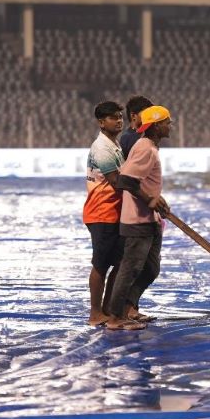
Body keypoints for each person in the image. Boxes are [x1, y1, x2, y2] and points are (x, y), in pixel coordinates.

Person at [104, 105, 173, 331]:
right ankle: (115, 317)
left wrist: (156, 199)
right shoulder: (145, 148)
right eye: (166, 121)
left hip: (149, 219)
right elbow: (126, 180)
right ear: (155, 126)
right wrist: (149, 199)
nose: (169, 125)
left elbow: (141, 182)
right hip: (137, 221)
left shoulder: (150, 147)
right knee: (130, 269)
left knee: (151, 269)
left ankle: (127, 308)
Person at [83, 100, 126, 326]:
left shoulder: (113, 144)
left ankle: (107, 309)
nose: (119, 120)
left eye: (120, 116)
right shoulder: (102, 148)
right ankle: (95, 313)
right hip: (102, 211)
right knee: (101, 264)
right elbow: (117, 181)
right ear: (101, 122)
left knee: (117, 263)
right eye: (113, 117)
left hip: (112, 211)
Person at [119, 95, 153, 160]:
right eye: (146, 113)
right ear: (133, 116)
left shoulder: (145, 133)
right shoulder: (128, 138)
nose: (149, 116)